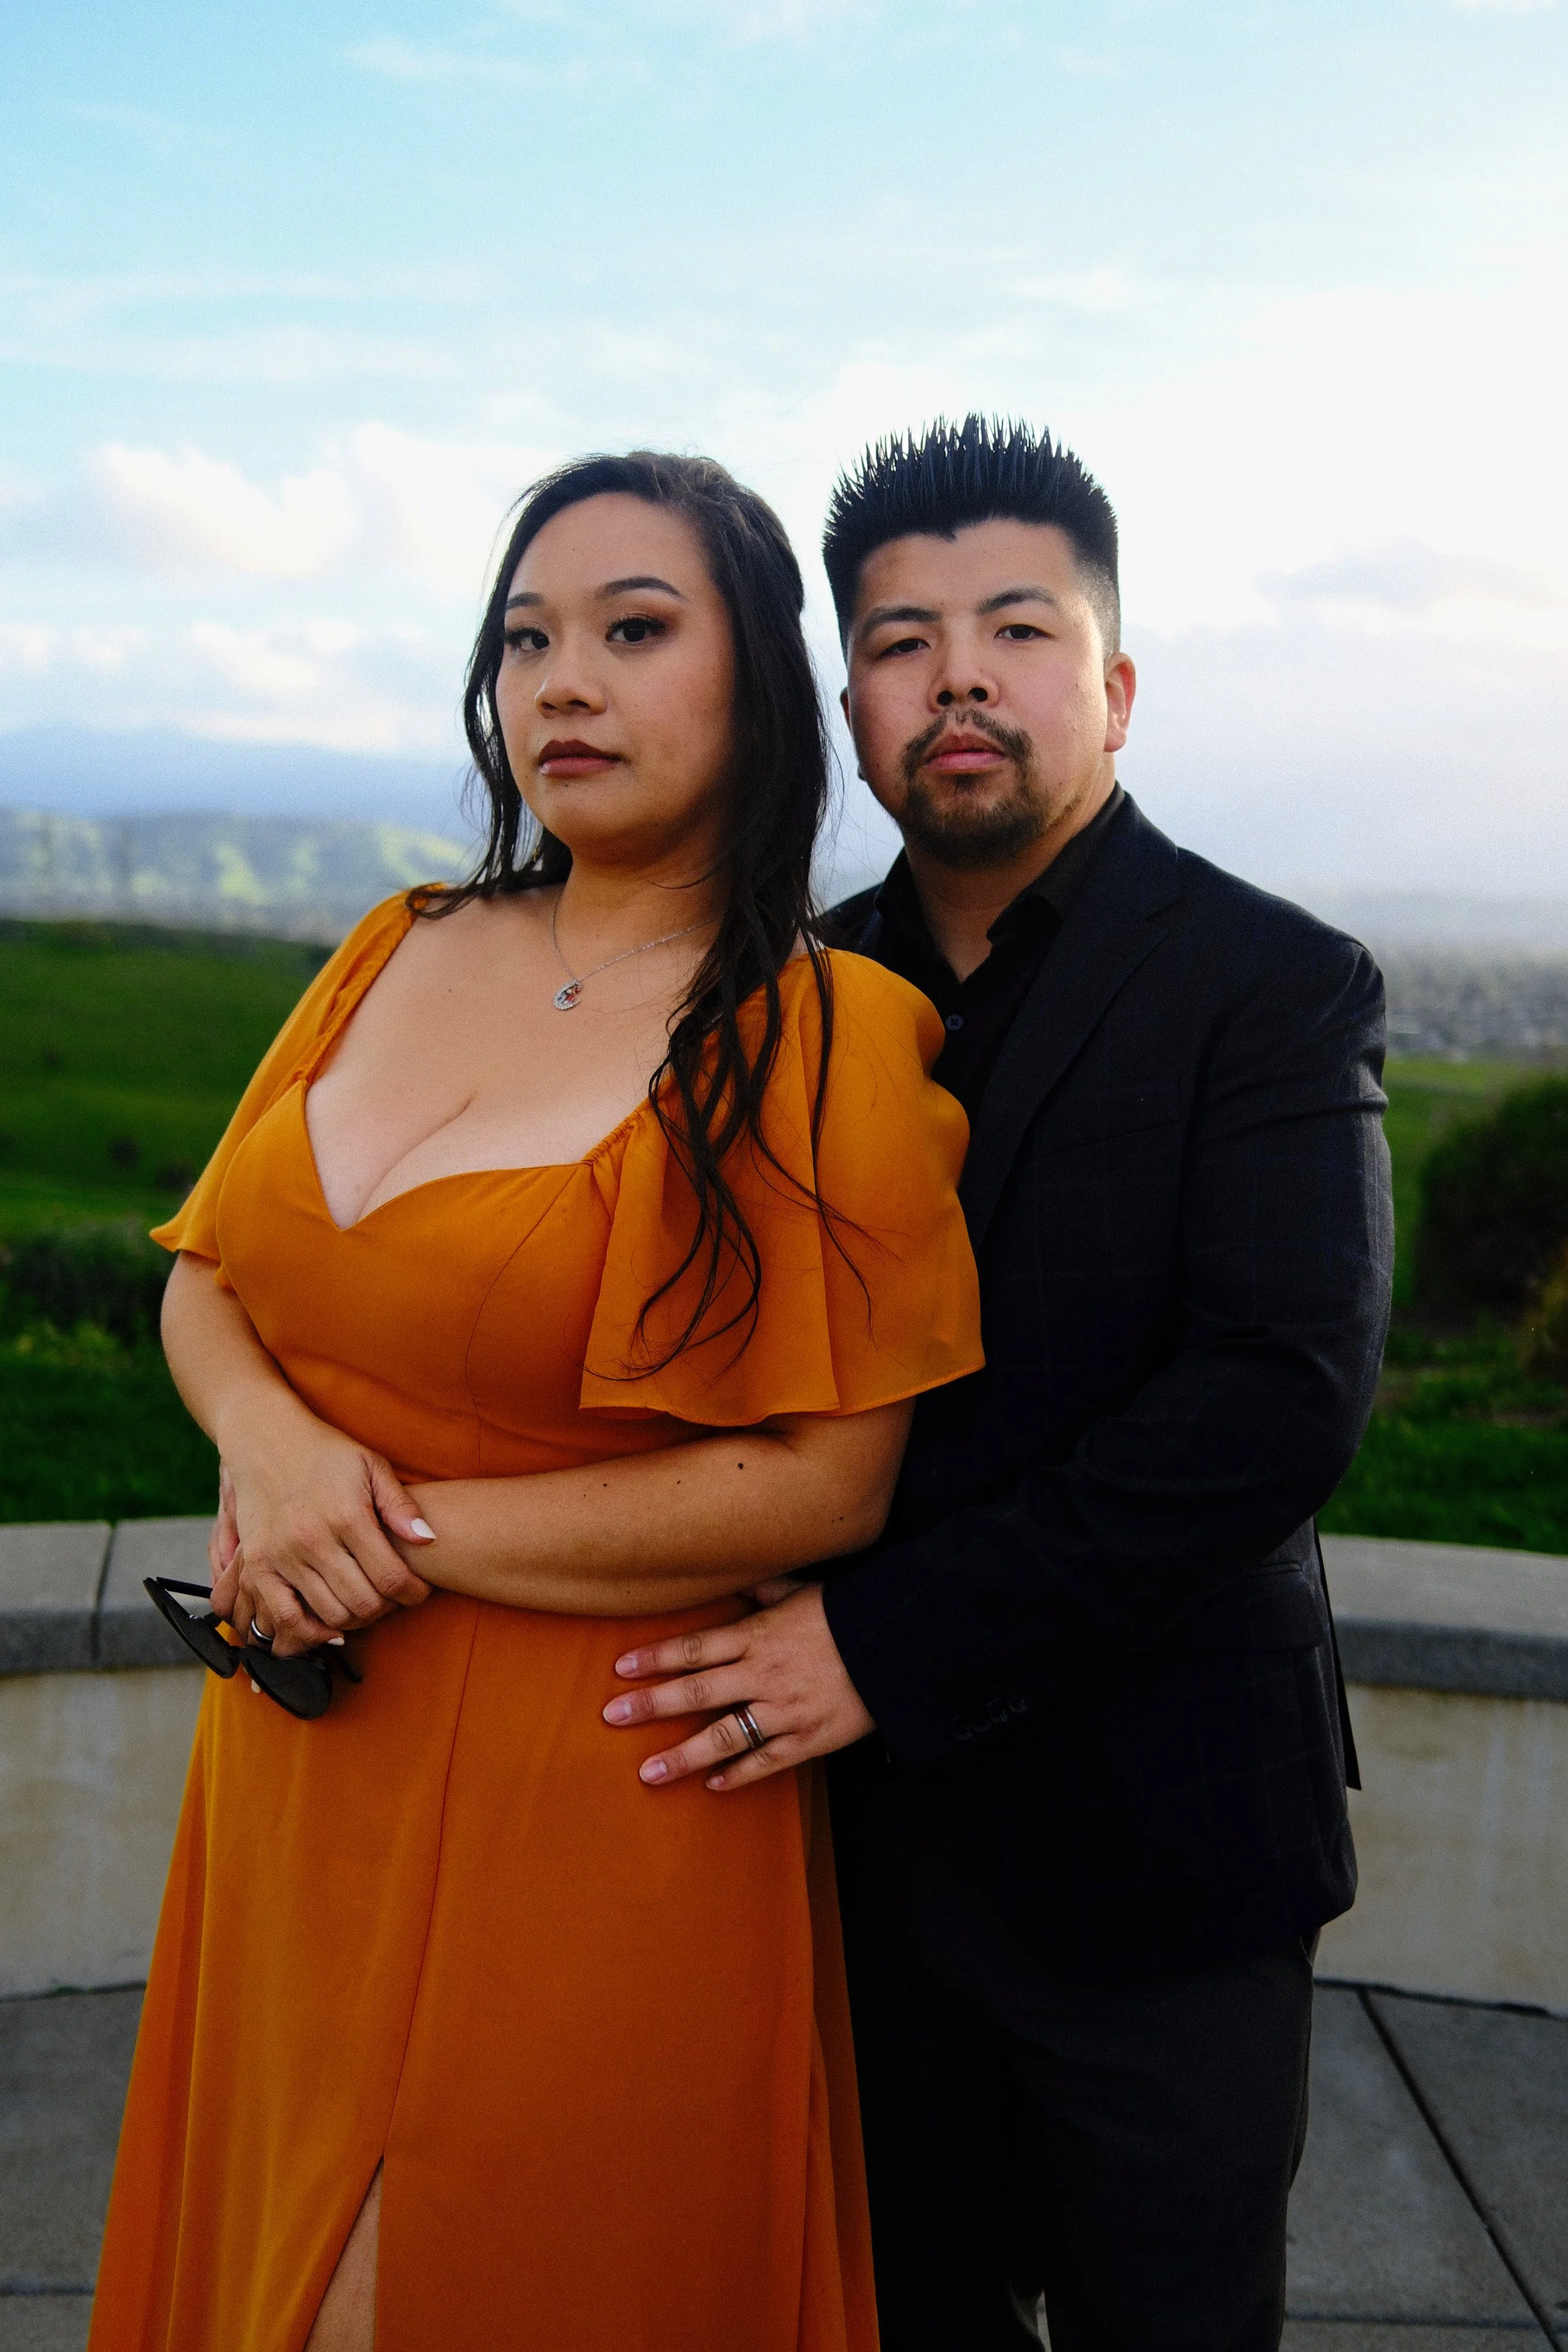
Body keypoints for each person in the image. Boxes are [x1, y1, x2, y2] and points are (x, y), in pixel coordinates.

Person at [89, 451, 984, 2352]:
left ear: (758, 686)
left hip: (587, 1791)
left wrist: (382, 1531)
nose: (561, 682)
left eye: (634, 631)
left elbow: (828, 1480)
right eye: (526, 639)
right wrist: (272, 1447)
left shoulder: (820, 1032)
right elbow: (207, 1271)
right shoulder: (394, 941)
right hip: (295, 1761)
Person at [604, 416, 1394, 2351]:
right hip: (856, 1861)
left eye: (1016, 628)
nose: (955, 673)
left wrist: (884, 1639)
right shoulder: (780, 997)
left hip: (1165, 1850)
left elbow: (1274, 1397)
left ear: (1111, 688)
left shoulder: (1272, 984)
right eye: (897, 640)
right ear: (851, 712)